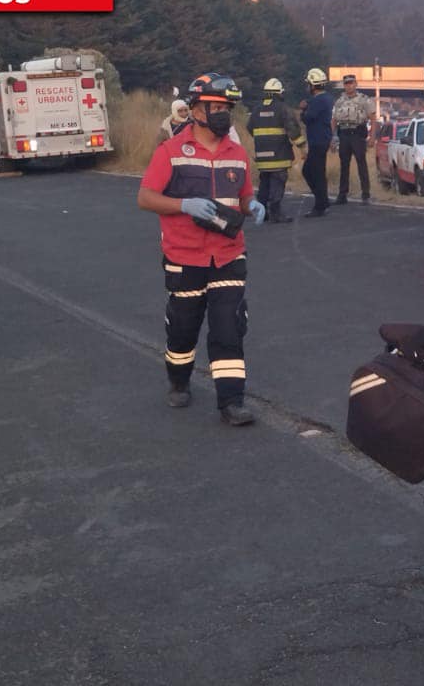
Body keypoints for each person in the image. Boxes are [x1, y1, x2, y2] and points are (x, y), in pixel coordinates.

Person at [136, 73, 264, 426]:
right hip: (184, 257)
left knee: (229, 328)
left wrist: (252, 205)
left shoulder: (237, 154)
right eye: (217, 107)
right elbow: (145, 197)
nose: (224, 114)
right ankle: (178, 379)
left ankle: (231, 402)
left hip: (228, 254)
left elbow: (243, 195)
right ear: (195, 109)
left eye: (228, 108)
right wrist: (184, 205)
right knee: (182, 329)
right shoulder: (170, 152)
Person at [246, 77, 302, 223]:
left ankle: (262, 212)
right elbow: (293, 130)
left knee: (264, 185)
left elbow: (250, 128)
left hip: (262, 158)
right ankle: (276, 214)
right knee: (277, 184)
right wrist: (302, 147)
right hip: (279, 155)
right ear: (278, 93)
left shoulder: (256, 110)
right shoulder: (283, 109)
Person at [332, 73, 374, 205]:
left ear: (356, 84)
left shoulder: (363, 100)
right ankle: (342, 194)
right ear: (344, 85)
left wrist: (372, 136)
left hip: (358, 133)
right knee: (344, 165)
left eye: (351, 83)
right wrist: (332, 137)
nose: (349, 86)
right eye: (346, 83)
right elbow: (333, 120)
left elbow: (373, 118)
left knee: (361, 163)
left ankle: (365, 194)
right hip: (344, 133)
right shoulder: (339, 101)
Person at [299, 68, 334, 218]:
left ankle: (320, 204)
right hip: (321, 139)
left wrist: (303, 109)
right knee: (315, 172)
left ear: (313, 85)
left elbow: (308, 118)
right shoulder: (327, 98)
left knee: (312, 172)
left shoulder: (317, 100)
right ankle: (322, 201)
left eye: (308, 84)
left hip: (318, 141)